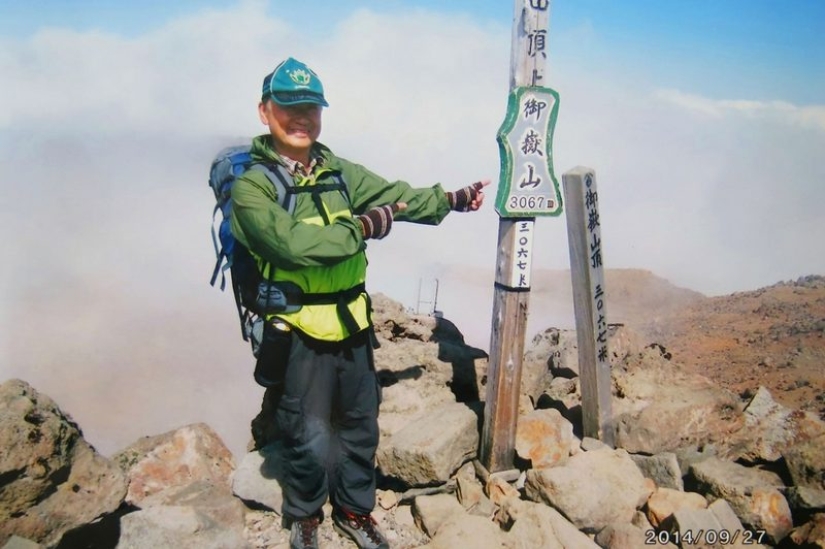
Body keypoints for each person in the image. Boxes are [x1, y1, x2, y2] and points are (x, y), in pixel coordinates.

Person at [230, 57, 488, 549]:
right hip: (298, 328)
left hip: (352, 324)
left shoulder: (338, 172)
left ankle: (354, 509)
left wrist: (451, 200)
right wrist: (363, 227)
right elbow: (292, 246)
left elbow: (396, 196)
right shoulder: (252, 187)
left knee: (359, 424)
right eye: (289, 106)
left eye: (311, 107)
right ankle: (305, 514)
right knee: (306, 432)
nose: (301, 117)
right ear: (265, 111)